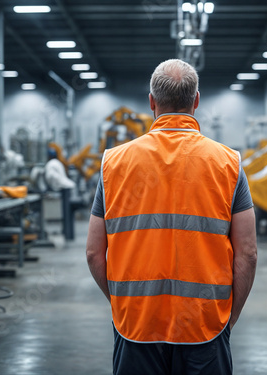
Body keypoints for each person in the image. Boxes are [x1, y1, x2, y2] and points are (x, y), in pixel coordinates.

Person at [86, 59, 257, 375]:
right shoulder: (228, 164)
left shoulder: (114, 164)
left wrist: (125, 304)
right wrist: (228, 319)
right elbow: (247, 252)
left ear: (152, 102)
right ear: (196, 101)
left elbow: (94, 252)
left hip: (136, 324)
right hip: (205, 324)